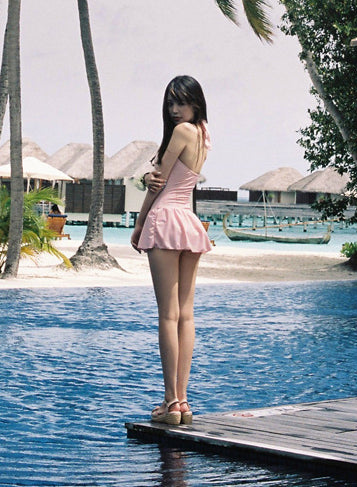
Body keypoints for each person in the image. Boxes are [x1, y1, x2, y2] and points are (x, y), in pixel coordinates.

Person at [131, 75, 212, 425]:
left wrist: (138, 224)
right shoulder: (204, 134)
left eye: (181, 102)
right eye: (170, 103)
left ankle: (170, 401)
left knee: (168, 315)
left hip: (165, 218)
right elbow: (173, 179)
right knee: (186, 315)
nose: (174, 109)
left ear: (195, 103)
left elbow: (159, 183)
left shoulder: (181, 131)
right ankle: (183, 402)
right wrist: (147, 178)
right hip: (187, 221)